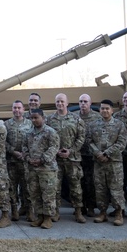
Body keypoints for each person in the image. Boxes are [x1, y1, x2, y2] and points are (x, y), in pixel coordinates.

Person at [87, 99, 127, 226]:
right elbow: (89, 141)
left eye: (107, 108)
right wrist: (98, 153)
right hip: (98, 163)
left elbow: (121, 142)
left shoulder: (119, 125)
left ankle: (118, 213)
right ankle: (102, 212)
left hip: (114, 162)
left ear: (112, 110)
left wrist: (107, 153)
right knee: (100, 189)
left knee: (116, 189)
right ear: (99, 110)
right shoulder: (93, 125)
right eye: (102, 108)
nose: (104, 111)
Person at [47, 93, 86, 223]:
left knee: (75, 187)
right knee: (55, 187)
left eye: (62, 101)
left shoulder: (76, 119)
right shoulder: (49, 119)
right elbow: (46, 138)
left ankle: (78, 212)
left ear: (67, 103)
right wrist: (55, 151)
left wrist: (71, 150)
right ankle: (55, 212)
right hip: (55, 160)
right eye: (57, 101)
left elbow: (81, 138)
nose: (60, 104)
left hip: (72, 159)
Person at [24, 109, 60, 228]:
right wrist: (28, 158)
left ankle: (48, 218)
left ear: (43, 118)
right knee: (35, 193)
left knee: (48, 194)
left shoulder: (51, 132)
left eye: (36, 118)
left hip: (47, 169)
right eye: (32, 118)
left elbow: (53, 148)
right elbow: (24, 148)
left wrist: (42, 160)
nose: (34, 120)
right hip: (32, 169)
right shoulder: (28, 133)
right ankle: (39, 216)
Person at [4, 100, 32, 221]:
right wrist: (12, 151)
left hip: (26, 161)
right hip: (12, 161)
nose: (17, 110)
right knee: (12, 187)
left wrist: (25, 153)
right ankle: (14, 209)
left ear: (23, 109)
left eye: (19, 108)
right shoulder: (6, 124)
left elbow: (34, 139)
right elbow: (3, 141)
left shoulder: (30, 123)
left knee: (27, 187)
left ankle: (29, 210)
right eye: (14, 108)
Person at [76, 93, 101, 217]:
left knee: (91, 182)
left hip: (91, 156)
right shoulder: (74, 117)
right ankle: (80, 207)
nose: (83, 104)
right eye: (81, 101)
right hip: (77, 155)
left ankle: (91, 206)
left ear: (90, 103)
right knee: (78, 182)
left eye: (85, 101)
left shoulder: (97, 117)